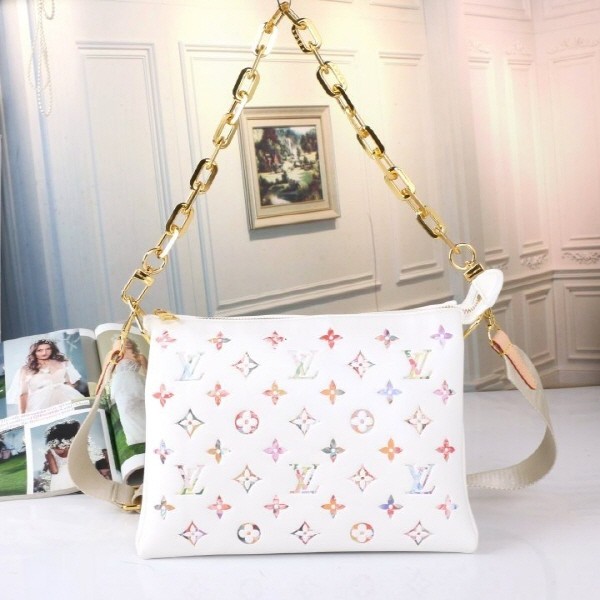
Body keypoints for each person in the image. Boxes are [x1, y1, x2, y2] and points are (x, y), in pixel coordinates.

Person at [16, 340, 85, 414]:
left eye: (48, 349)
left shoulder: (63, 363)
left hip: (65, 395)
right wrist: (22, 415)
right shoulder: (26, 369)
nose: (44, 353)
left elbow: (68, 382)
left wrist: (72, 394)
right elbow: (23, 393)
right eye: (39, 350)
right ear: (34, 352)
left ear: (52, 350)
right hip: (40, 401)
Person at [107, 338, 147, 445]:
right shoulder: (116, 358)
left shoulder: (140, 357)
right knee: (125, 410)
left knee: (142, 408)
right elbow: (108, 373)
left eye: (128, 342)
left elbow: (148, 372)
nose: (126, 344)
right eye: (122, 343)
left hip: (136, 383)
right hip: (120, 386)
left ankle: (149, 433)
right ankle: (135, 438)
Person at [44, 420, 80, 492]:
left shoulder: (49, 452)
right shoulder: (72, 447)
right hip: (74, 475)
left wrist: (47, 465)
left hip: (59, 480)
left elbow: (54, 471)